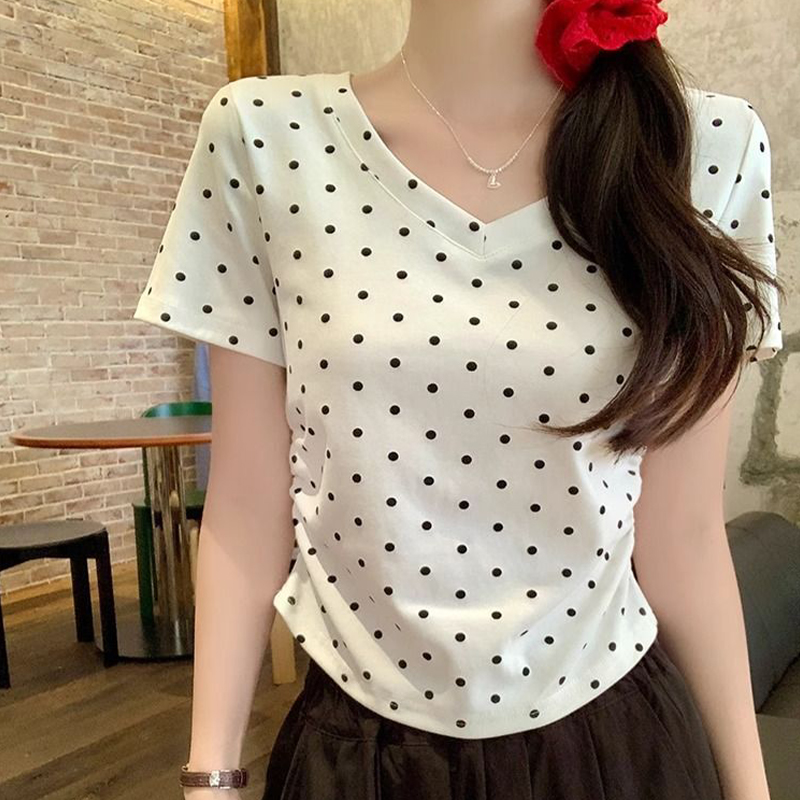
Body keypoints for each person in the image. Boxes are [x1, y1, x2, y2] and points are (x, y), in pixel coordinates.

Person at [133, 0, 785, 798]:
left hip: (618, 745)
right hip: (357, 751)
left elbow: (684, 535)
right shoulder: (264, 137)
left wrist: (750, 788)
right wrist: (211, 777)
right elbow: (245, 504)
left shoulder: (705, 146)